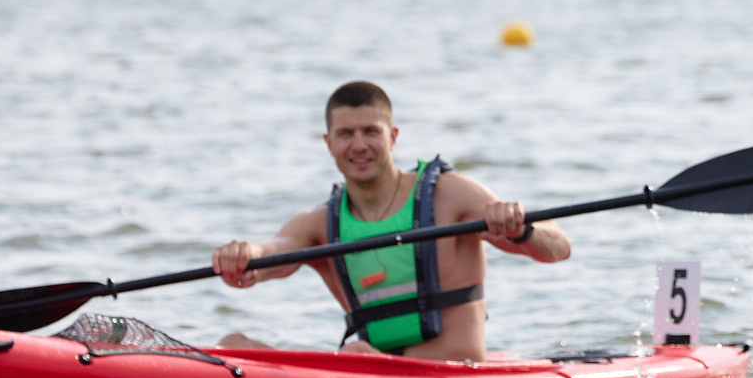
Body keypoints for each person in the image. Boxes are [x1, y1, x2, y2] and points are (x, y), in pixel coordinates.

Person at [211, 81, 571, 360]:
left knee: (355, 354)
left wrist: (522, 229)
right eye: (346, 134)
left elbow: (558, 247)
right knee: (232, 345)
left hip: (453, 375)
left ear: (393, 137)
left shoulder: (451, 195)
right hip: (371, 372)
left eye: (371, 132)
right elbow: (273, 253)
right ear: (328, 143)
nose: (359, 145)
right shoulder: (319, 223)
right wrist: (245, 257)